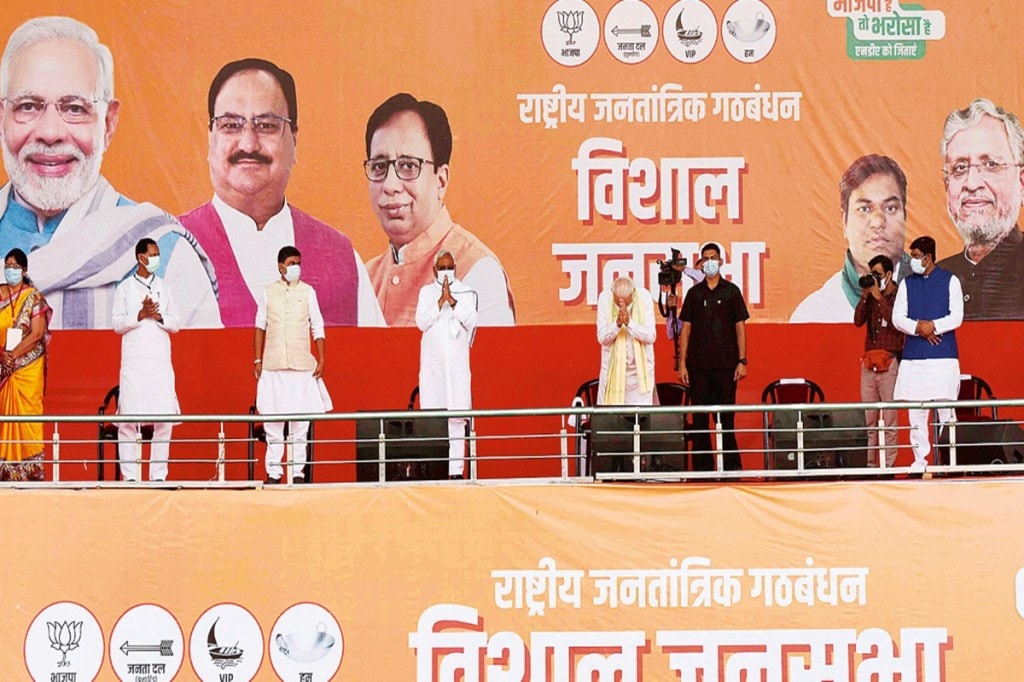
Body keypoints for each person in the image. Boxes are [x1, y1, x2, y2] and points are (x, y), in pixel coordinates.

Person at [0, 16, 219, 329]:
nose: (50, 132)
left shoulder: (166, 255)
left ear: (108, 123)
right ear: (1, 117)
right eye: (28, 106)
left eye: (74, 108)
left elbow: (206, 376)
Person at [179, 58, 383, 328]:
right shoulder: (173, 248)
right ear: (210, 138)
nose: (249, 143)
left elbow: (378, 367)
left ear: (294, 140)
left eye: (266, 125)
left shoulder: (342, 260)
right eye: (230, 125)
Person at [364, 93, 514, 327]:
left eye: (408, 166)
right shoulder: (364, 278)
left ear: (441, 181)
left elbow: (492, 364)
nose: (390, 185)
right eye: (379, 167)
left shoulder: (478, 270)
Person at [791, 154, 911, 323]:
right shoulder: (813, 315)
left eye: (890, 208)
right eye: (864, 209)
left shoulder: (937, 296)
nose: (878, 222)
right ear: (844, 221)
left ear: (905, 216)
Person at [936, 98, 1024, 320]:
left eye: (991, 165)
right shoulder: (936, 278)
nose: (972, 183)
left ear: (1021, 182)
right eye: (960, 167)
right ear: (947, 186)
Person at [253, 246, 331, 483]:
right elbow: (260, 327)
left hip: (302, 366)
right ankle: (274, 473)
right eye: (292, 262)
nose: (296, 267)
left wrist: (322, 358)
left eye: (298, 262)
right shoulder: (268, 292)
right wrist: (257, 359)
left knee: (300, 426)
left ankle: (297, 473)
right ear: (281, 266)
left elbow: (317, 326)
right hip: (273, 365)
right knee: (273, 425)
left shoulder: (308, 292)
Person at [892, 236, 963, 472]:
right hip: (914, 357)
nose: (912, 261)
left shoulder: (950, 280)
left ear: (928, 258)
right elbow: (897, 317)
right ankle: (920, 462)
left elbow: (956, 317)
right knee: (917, 413)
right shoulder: (906, 284)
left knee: (946, 411)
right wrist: (918, 329)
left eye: (915, 257)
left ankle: (949, 461)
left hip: (943, 356)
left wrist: (932, 326)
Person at [111, 238, 180, 482]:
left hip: (159, 363)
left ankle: (158, 476)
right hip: (134, 364)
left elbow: (176, 323)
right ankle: (130, 477)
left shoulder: (165, 286)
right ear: (141, 258)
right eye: (153, 254)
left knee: (165, 420)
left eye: (158, 254)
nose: (156, 259)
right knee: (128, 421)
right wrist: (140, 314)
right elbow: (117, 324)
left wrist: (159, 316)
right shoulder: (125, 289)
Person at [679, 242, 750, 471]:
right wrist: (682, 364)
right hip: (698, 367)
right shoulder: (694, 293)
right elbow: (685, 330)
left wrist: (742, 361)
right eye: (705, 258)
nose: (709, 262)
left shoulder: (731, 291)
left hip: (726, 366)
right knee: (700, 421)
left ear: (720, 261)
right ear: (700, 264)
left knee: (725, 420)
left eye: (713, 257)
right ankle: (702, 470)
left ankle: (730, 469)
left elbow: (740, 327)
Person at [415, 251, 478, 480]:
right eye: (442, 268)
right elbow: (421, 322)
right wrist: (440, 301)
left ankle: (456, 472)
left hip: (457, 369)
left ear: (456, 268)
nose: (446, 271)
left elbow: (472, 320)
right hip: (434, 369)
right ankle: (435, 470)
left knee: (457, 417)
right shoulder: (426, 293)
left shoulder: (466, 293)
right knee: (434, 419)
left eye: (449, 267)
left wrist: (452, 300)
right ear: (434, 271)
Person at [0, 248, 49, 480]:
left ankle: (30, 472)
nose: (10, 269)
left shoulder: (33, 296)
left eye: (15, 266)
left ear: (24, 270)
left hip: (28, 367)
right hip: (2, 367)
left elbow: (37, 333)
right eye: (7, 265)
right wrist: (2, 356)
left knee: (28, 415)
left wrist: (13, 354)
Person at [853, 254, 904, 468]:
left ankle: (889, 467)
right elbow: (857, 321)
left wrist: (878, 296)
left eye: (878, 274)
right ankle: (870, 466)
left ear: (889, 274)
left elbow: (897, 323)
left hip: (890, 362)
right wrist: (867, 295)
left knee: (890, 420)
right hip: (868, 363)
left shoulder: (900, 295)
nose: (874, 278)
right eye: (871, 273)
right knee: (869, 419)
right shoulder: (871, 297)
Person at [596, 277, 655, 407]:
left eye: (626, 304)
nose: (622, 307)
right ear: (612, 294)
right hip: (612, 372)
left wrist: (630, 324)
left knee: (640, 420)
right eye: (618, 303)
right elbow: (602, 338)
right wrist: (616, 325)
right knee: (611, 420)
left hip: (640, 374)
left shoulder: (644, 297)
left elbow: (650, 336)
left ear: (633, 294)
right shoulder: (605, 298)